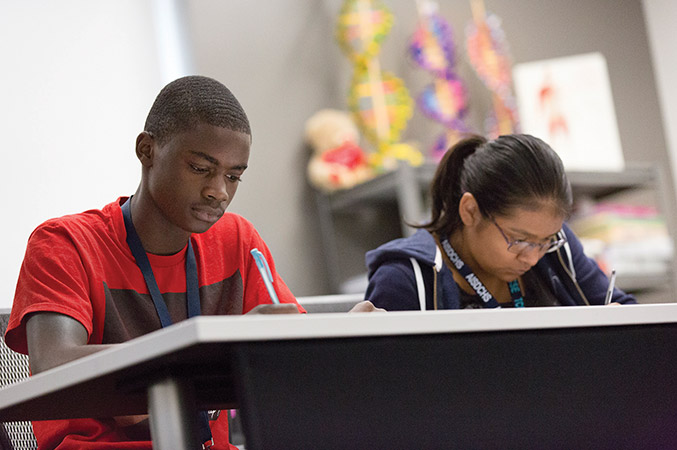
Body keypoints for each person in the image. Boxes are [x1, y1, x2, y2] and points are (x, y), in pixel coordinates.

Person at [4, 75, 380, 450]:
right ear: (147, 150)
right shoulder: (66, 243)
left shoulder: (236, 241)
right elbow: (56, 363)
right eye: (201, 168)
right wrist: (217, 348)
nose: (218, 191)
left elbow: (290, 365)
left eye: (234, 176)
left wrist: (342, 341)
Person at [365, 134, 636, 310]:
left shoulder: (556, 247)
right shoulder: (406, 278)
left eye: (544, 242)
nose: (532, 257)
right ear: (470, 211)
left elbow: (625, 311)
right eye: (519, 240)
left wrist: (620, 322)